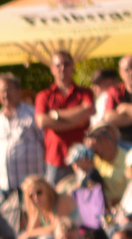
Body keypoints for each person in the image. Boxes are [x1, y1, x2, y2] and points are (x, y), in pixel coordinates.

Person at [35, 51, 95, 183]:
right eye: (58, 65)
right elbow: (42, 122)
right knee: (55, 199)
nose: (62, 68)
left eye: (66, 64)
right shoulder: (44, 96)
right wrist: (77, 119)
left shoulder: (84, 92)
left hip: (83, 158)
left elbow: (88, 111)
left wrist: (56, 115)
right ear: (52, 69)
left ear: (73, 66)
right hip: (56, 158)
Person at [0, 72, 45, 198]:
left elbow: (45, 142)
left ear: (18, 91)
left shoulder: (32, 114)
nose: (5, 95)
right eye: (1, 91)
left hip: (31, 186)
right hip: (5, 186)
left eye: (9, 90)